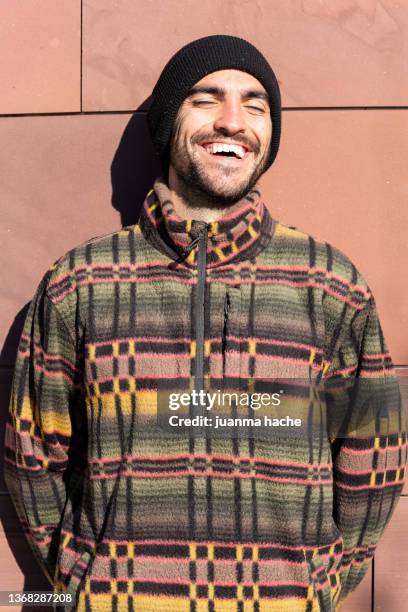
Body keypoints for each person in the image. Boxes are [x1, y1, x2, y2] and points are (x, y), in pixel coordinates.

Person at [4, 35, 406, 612]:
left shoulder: (330, 282)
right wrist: (79, 578)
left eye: (255, 104)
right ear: (170, 121)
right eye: (206, 98)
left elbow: (377, 450)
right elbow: (32, 450)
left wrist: (316, 585)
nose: (233, 121)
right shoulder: (81, 281)